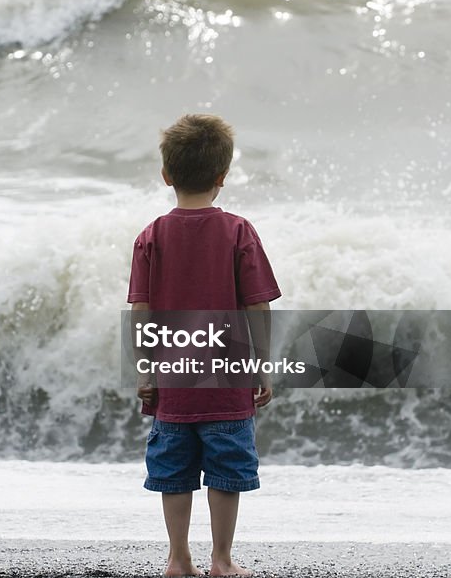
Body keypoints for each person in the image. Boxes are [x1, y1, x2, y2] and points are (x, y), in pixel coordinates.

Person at [127, 113, 281, 577]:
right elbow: (258, 307)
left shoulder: (150, 236)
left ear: (166, 175)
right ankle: (222, 560)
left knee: (173, 474)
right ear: (222, 178)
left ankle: (177, 558)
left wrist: (145, 369)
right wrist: (262, 367)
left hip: (172, 386)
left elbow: (141, 310)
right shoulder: (238, 232)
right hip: (227, 385)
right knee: (225, 473)